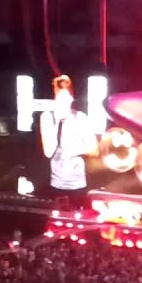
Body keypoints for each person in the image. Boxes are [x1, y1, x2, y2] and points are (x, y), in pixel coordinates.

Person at [39, 75, 98, 210]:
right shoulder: (48, 117)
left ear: (71, 99)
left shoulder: (80, 117)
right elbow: (48, 152)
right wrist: (57, 124)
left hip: (78, 184)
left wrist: (76, 149)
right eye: (60, 99)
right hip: (56, 184)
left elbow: (94, 149)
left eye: (66, 99)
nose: (63, 103)